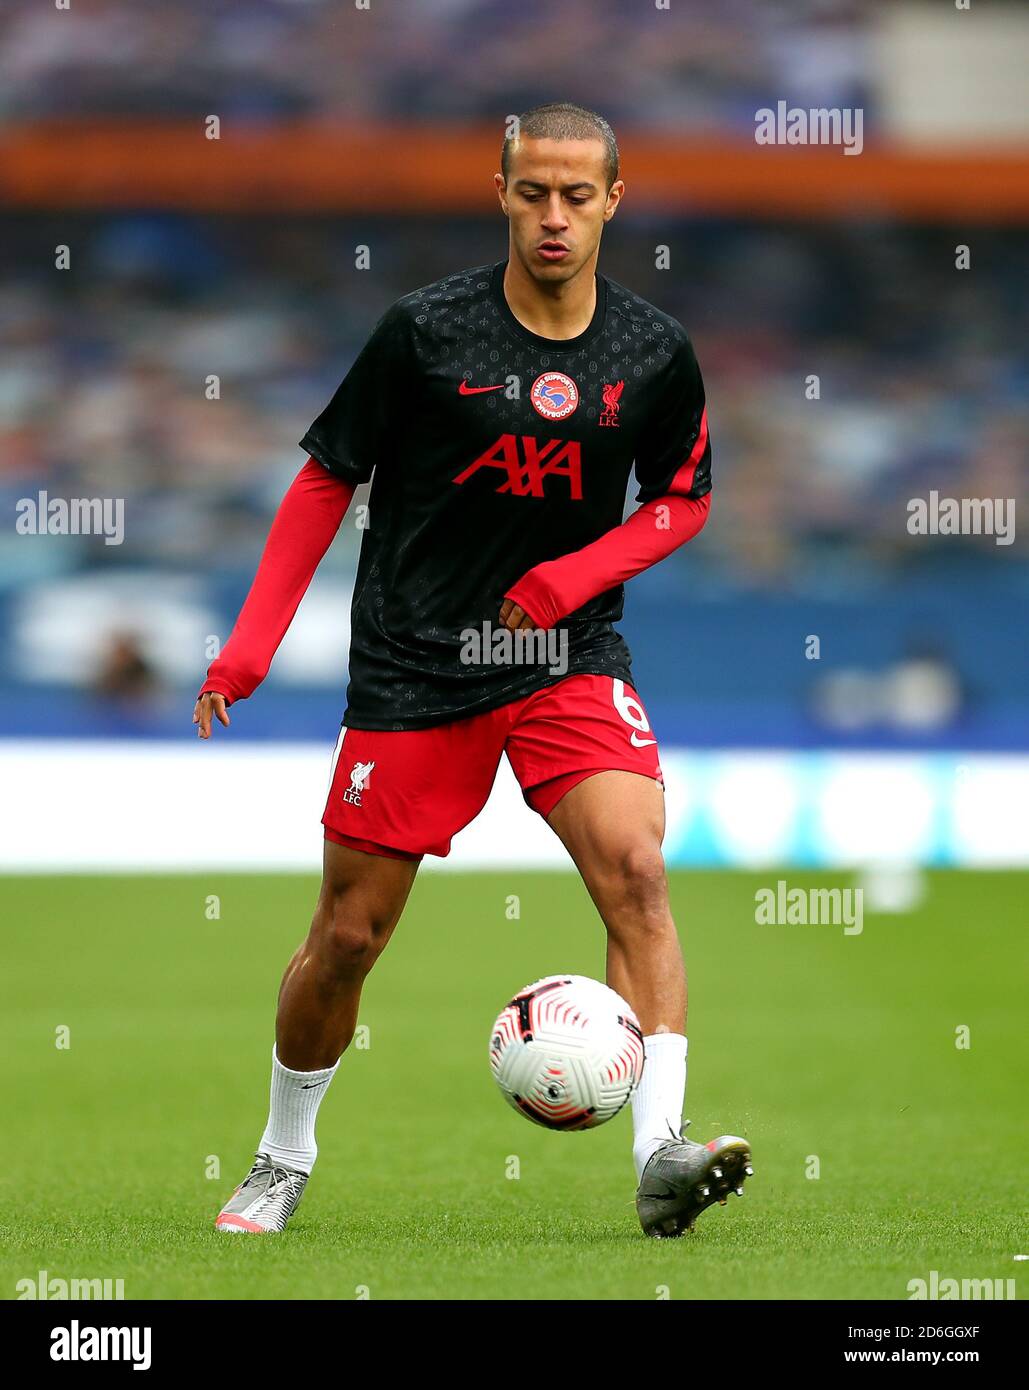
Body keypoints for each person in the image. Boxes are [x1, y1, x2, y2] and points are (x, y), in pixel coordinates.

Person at [195, 103, 751, 1239]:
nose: (555, 216)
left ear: (613, 202)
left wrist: (570, 578)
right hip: (416, 661)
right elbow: (324, 480)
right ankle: (280, 1154)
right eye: (533, 192)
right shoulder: (424, 332)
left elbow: (684, 498)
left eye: (577, 195)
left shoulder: (653, 352)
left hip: (563, 655)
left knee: (638, 870)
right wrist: (251, 645)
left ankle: (660, 1152)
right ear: (501, 193)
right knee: (348, 937)